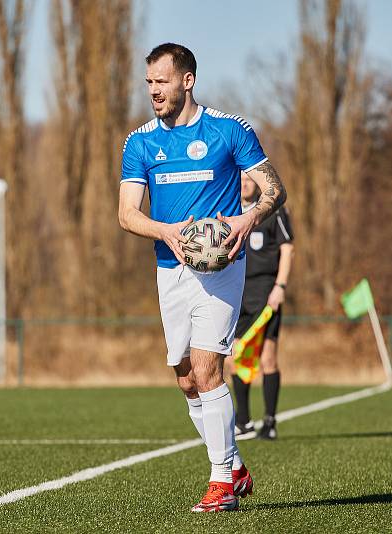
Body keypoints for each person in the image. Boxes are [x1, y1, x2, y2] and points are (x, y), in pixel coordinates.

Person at [118, 43, 287, 513]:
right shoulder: (140, 142)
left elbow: (276, 189)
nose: (154, 90)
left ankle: (221, 482)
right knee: (187, 379)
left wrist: (246, 219)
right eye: (149, 81)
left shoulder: (229, 132)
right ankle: (234, 466)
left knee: (209, 368)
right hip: (169, 270)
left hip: (222, 270)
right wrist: (165, 230)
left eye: (162, 81)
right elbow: (127, 215)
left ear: (187, 80)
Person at [230, 173, 294, 441]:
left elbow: (287, 249)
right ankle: (243, 422)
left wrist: (280, 286)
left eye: (248, 178)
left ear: (257, 182)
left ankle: (269, 422)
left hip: (266, 292)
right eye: (240, 178)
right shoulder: (228, 210)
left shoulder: (273, 210)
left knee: (267, 358)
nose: (244, 183)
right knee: (235, 358)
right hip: (236, 292)